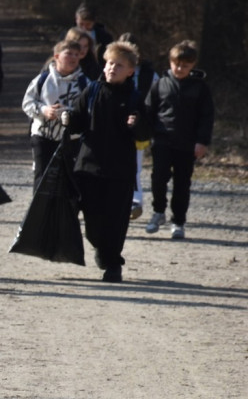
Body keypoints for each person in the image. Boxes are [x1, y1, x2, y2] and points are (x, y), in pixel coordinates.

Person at [61, 41, 151, 282]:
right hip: (89, 167)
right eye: (110, 63)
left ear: (130, 70)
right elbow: (77, 122)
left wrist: (138, 124)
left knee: (116, 220)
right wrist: (67, 118)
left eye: (119, 65)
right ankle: (102, 248)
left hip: (120, 171)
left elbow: (145, 134)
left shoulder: (134, 97)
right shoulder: (91, 91)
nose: (112, 68)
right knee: (92, 219)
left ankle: (113, 263)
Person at [143, 40, 214, 239]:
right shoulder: (160, 84)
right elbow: (149, 110)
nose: (180, 68)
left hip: (187, 143)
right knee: (158, 178)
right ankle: (158, 212)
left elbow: (207, 116)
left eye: (185, 65)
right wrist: (143, 133)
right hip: (162, 140)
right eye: (176, 64)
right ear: (170, 61)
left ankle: (178, 221)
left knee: (182, 184)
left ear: (193, 66)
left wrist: (202, 141)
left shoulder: (200, 88)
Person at [21, 40, 88, 185]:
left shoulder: (84, 83)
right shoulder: (43, 79)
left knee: (69, 180)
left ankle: (65, 208)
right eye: (69, 53)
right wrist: (44, 110)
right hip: (43, 136)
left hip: (73, 139)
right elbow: (27, 103)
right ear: (56, 56)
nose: (73, 57)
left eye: (77, 54)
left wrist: (69, 114)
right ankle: (40, 208)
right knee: (42, 179)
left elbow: (89, 110)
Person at [117, 32, 158, 220]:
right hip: (115, 124)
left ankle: (135, 201)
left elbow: (157, 100)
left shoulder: (150, 75)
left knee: (135, 165)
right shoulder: (111, 70)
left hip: (138, 126)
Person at [74, 3, 114, 68]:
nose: (84, 28)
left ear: (94, 22)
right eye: (81, 24)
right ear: (76, 19)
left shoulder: (105, 37)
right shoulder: (67, 35)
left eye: (88, 24)